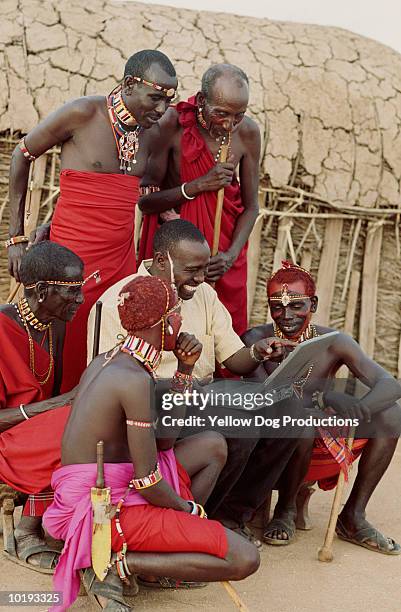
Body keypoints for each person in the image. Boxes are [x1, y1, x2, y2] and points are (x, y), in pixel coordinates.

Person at [43, 276, 260, 611]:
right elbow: (148, 482)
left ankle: (165, 546)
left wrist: (185, 371)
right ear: (161, 324)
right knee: (246, 558)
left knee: (212, 445)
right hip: (102, 506)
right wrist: (191, 512)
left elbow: (165, 443)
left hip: (112, 481)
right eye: (175, 314)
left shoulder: (111, 358)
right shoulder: (133, 380)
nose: (181, 321)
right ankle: (124, 563)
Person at [88, 219, 308, 546]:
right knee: (241, 424)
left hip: (202, 393)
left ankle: (233, 513)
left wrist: (260, 352)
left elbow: (234, 359)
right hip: (155, 405)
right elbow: (112, 379)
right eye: (193, 270)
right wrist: (185, 382)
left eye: (205, 269)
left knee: (290, 410)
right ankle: (208, 518)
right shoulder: (121, 299)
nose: (201, 279)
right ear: (162, 260)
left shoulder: (203, 294)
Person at [8, 49, 178, 391]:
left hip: (119, 261)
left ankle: (96, 420)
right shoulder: (83, 113)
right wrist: (16, 238)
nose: (161, 110)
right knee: (58, 347)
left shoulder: (152, 132)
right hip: (70, 260)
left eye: (167, 100)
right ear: (130, 84)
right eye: (155, 98)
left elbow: (146, 189)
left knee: (108, 345)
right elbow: (21, 155)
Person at [242, 261, 401, 553]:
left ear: (313, 303)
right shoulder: (256, 340)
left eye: (296, 306)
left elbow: (390, 385)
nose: (286, 315)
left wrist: (359, 408)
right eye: (277, 307)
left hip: (319, 441)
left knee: (392, 413)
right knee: (299, 421)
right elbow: (268, 401)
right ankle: (285, 510)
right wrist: (326, 398)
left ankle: (353, 517)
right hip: (272, 441)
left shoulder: (333, 342)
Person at [137, 63, 261, 336]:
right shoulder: (172, 124)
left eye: (239, 115)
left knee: (224, 335)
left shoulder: (249, 133)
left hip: (223, 256)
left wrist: (229, 256)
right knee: (171, 330)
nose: (229, 124)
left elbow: (252, 208)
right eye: (222, 114)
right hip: (179, 251)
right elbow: (146, 200)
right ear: (202, 101)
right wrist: (198, 185)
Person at [0, 241, 84, 572]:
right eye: (72, 292)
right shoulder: (2, 328)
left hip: (37, 436)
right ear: (41, 290)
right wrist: (55, 406)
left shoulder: (56, 325)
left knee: (90, 418)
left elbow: (62, 393)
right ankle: (26, 531)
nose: (80, 299)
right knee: (68, 423)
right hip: (7, 442)